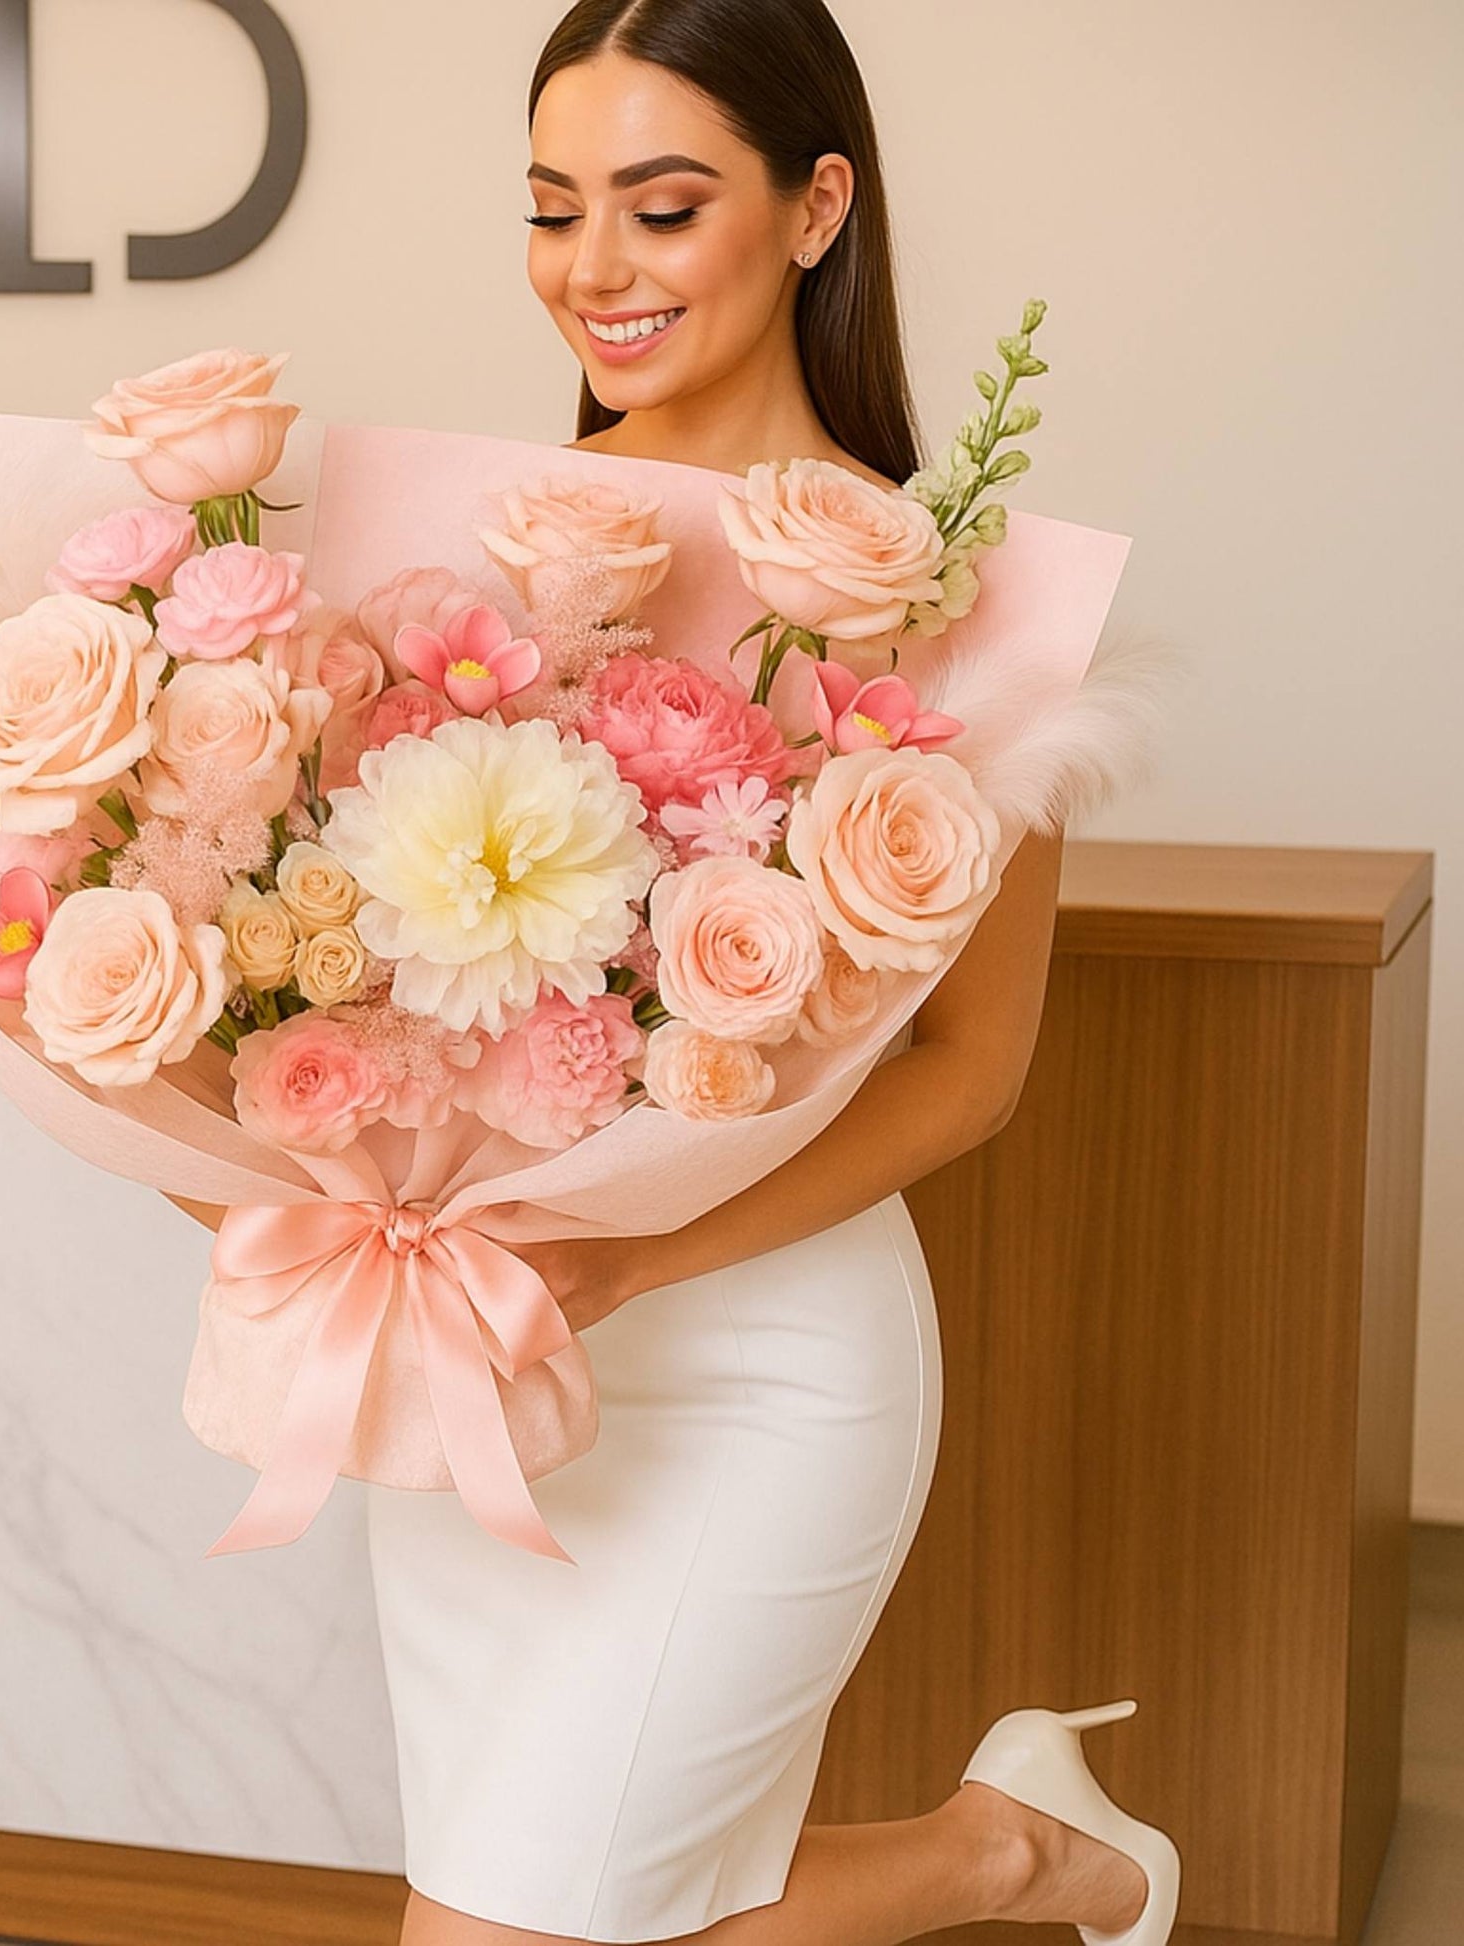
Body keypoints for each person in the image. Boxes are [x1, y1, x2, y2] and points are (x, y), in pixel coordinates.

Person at [173, 3, 1181, 1941]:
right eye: (555, 208)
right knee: (555, 1901)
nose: (593, 270)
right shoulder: (462, 555)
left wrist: (632, 1256)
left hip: (764, 1359)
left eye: (659, 205)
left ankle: (1020, 1851)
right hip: (477, 1347)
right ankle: (1018, 1851)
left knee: (511, 1923)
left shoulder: (952, 598)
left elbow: (969, 1065)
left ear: (815, 208)